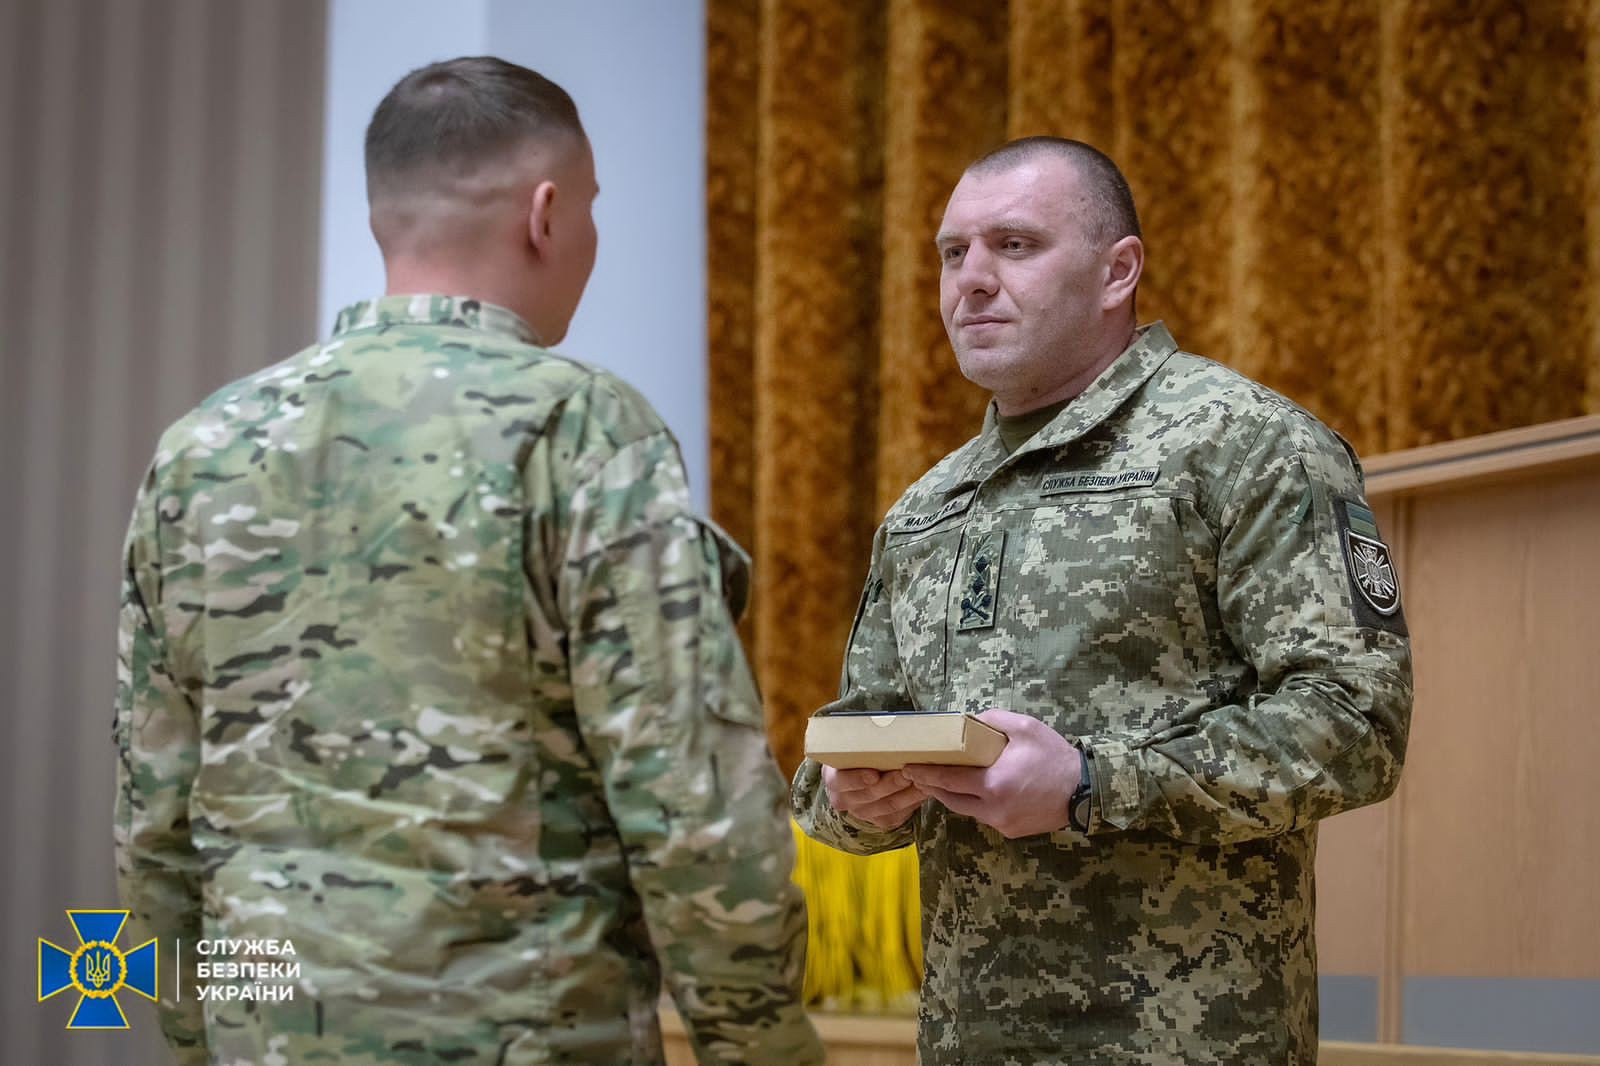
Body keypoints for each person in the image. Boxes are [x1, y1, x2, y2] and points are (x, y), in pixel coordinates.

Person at [115, 56, 822, 1065]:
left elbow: (155, 814)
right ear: (545, 214)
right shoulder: (580, 428)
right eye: (590, 207)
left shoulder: (201, 448)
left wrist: (201, 1038)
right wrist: (762, 1050)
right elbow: (693, 805)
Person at [792, 136, 1412, 1064]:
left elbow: (1357, 724)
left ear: (1118, 271)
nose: (971, 280)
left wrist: (1091, 785)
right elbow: (846, 760)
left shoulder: (1242, 444)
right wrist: (855, 796)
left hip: (1191, 1041)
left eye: (1014, 245)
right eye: (953, 253)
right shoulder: (927, 507)